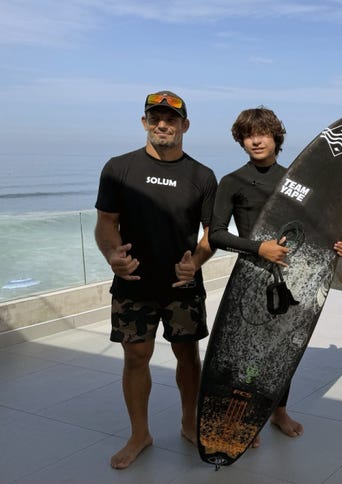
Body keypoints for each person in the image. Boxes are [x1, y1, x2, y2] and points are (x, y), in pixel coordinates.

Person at [208, 107, 342, 443]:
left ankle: (278, 411)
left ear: (276, 138)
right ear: (241, 141)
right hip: (253, 276)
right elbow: (215, 234)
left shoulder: (295, 182)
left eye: (262, 133)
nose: (255, 140)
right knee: (248, 351)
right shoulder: (232, 181)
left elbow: (318, 228)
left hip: (292, 277)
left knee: (283, 348)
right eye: (248, 135)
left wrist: (338, 244)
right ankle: (244, 414)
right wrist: (258, 248)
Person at [94, 91, 217, 469]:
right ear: (145, 122)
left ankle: (187, 423)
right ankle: (139, 434)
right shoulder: (119, 168)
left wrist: (195, 261)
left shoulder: (202, 176)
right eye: (155, 118)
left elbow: (212, 233)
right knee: (136, 357)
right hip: (134, 283)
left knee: (188, 357)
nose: (163, 124)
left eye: (171, 119)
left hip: (182, 286)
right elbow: (105, 224)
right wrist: (113, 255)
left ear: (185, 125)